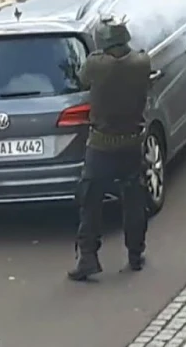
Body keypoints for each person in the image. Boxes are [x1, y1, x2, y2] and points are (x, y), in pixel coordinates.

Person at [68, 16, 153, 281]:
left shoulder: (95, 64)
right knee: (134, 199)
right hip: (132, 141)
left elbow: (80, 79)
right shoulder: (142, 61)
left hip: (101, 144)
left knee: (90, 200)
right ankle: (135, 253)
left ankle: (89, 257)